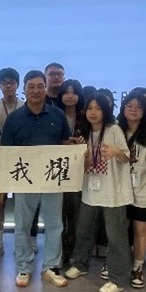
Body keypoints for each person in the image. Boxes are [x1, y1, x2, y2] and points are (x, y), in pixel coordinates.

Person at [1, 70, 71, 287]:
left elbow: (65, 145)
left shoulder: (58, 115)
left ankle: (51, 267)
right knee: (22, 225)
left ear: (45, 88)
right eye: (31, 86)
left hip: (52, 179)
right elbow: (6, 153)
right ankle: (24, 267)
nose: (36, 91)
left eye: (40, 86)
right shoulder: (14, 119)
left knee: (54, 225)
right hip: (24, 180)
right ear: (24, 90)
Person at [65, 93, 133, 292]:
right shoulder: (84, 133)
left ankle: (118, 278)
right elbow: (80, 163)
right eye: (89, 108)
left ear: (106, 110)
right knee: (83, 230)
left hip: (113, 192)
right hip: (90, 190)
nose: (93, 113)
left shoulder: (114, 130)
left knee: (116, 237)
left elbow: (127, 157)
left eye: (98, 108)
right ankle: (80, 264)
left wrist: (116, 152)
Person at [116, 91, 146, 288]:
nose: (133, 110)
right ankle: (117, 263)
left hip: (144, 190)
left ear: (145, 111)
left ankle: (137, 267)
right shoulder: (115, 130)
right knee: (119, 229)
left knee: (140, 230)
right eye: (129, 106)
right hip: (119, 189)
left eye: (138, 107)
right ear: (123, 108)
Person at [0, 67, 24, 260]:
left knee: (21, 203)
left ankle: (21, 242)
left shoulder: (24, 106)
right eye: (5, 83)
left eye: (12, 82)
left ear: (17, 85)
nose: (8, 86)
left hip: (21, 161)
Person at [56, 78, 85, 265]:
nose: (70, 96)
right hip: (57, 171)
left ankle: (72, 250)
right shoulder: (54, 114)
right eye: (66, 92)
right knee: (58, 215)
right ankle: (59, 252)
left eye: (74, 92)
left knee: (75, 214)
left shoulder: (85, 116)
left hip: (79, 171)